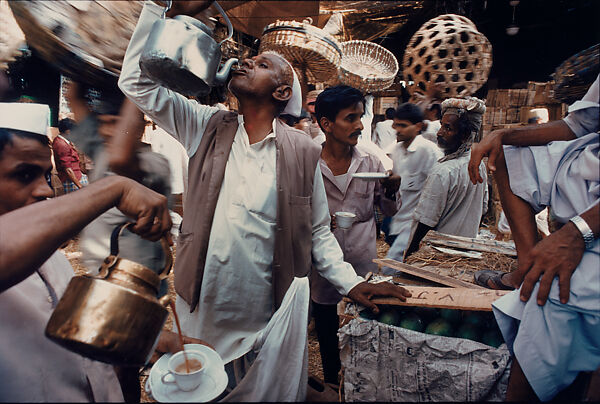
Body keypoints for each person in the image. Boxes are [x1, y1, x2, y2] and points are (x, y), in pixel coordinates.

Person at [119, 1, 411, 401]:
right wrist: (162, 12)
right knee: (202, 391)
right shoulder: (204, 126)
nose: (244, 61)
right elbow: (137, 84)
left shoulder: (304, 151)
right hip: (202, 307)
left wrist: (351, 283)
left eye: (258, 63)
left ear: (281, 92)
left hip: (264, 315)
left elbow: (318, 232)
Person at [0, 102, 205, 401]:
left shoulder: (52, 259)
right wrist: (114, 189)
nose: (46, 191)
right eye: (23, 175)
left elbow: (67, 333)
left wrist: (153, 345)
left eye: (44, 176)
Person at [468, 75, 599, 401]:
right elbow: (580, 123)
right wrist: (503, 134)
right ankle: (527, 264)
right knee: (509, 153)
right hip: (586, 173)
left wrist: (578, 232)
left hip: (587, 221)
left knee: (555, 297)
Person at [310, 85, 400, 385]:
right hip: (322, 273)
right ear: (326, 124)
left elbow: (387, 210)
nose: (360, 126)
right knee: (328, 336)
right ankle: (335, 385)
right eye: (351, 118)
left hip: (363, 266)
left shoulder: (370, 162)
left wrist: (390, 192)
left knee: (363, 336)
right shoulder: (309, 163)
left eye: (361, 117)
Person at [404, 97, 488, 259]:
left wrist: (411, 253)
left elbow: (426, 220)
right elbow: (482, 210)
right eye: (441, 125)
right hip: (465, 254)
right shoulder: (477, 164)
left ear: (464, 135)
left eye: (448, 128)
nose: (439, 132)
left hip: (438, 255)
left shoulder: (443, 171)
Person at [383, 103, 442, 263]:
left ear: (418, 127)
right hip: (398, 218)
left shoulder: (428, 151)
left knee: (391, 266)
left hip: (416, 223)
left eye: (403, 125)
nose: (398, 130)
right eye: (396, 125)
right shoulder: (397, 150)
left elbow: (439, 189)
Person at [52, 117, 88, 193]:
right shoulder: (62, 145)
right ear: (68, 132)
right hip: (72, 181)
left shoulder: (60, 141)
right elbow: (68, 169)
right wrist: (79, 185)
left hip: (75, 177)